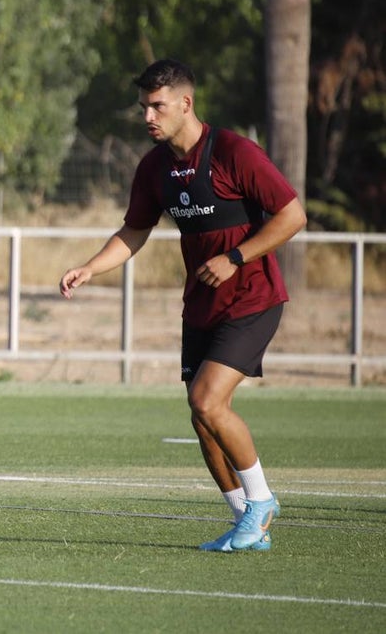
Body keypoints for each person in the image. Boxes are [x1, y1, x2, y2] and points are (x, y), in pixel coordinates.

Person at [59, 59, 307, 551]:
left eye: (157, 106)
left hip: (253, 297)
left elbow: (292, 215)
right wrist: (91, 267)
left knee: (206, 401)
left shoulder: (234, 152)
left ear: (186, 103)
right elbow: (135, 230)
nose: (148, 116)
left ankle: (261, 502)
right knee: (203, 420)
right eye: (143, 107)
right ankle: (247, 523)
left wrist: (235, 258)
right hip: (201, 306)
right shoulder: (154, 168)